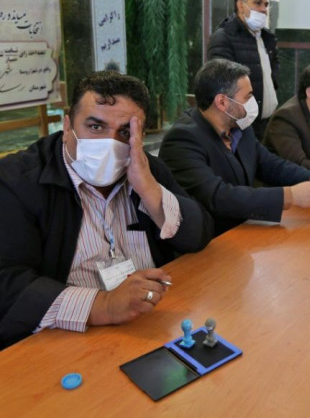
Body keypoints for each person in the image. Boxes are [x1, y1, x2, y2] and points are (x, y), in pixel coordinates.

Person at [0, 72, 214, 349]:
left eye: (125, 132)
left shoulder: (144, 168)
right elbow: (6, 283)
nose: (110, 143)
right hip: (66, 341)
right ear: (67, 126)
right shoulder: (17, 181)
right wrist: (103, 305)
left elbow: (199, 234)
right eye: (95, 127)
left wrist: (149, 189)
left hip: (151, 324)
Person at [158, 59, 310, 237]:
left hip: (243, 233)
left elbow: (270, 164)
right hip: (209, 242)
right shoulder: (182, 140)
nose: (254, 102)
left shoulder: (239, 127)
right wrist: (290, 196)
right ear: (222, 102)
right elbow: (218, 196)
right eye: (248, 96)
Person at [207, 0, 279, 139]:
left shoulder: (266, 38)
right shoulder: (224, 37)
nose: (263, 9)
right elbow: (222, 85)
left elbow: (273, 74)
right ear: (241, 5)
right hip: (240, 125)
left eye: (266, 5)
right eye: (257, 3)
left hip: (266, 123)